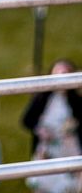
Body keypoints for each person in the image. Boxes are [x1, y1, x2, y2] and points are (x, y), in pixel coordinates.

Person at [22, 59, 82, 193]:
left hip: (69, 149)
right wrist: (40, 130)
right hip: (46, 149)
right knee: (44, 184)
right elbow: (27, 120)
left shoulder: (76, 101)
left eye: (65, 73)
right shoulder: (42, 98)